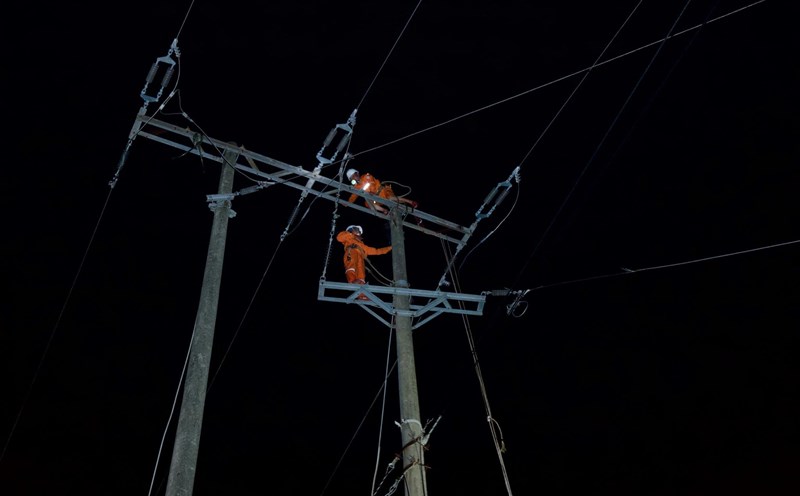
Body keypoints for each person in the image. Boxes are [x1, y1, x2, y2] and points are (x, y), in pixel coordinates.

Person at [336, 225, 392, 300]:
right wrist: (351, 234)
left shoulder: (362, 246)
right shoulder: (348, 238)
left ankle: (363, 295)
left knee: (361, 276)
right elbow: (339, 238)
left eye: (359, 231)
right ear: (350, 230)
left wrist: (391, 247)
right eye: (356, 230)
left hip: (360, 258)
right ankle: (352, 281)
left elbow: (377, 251)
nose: (358, 232)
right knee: (351, 266)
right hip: (351, 251)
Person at [346, 168, 418, 214]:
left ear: (357, 173)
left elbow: (372, 182)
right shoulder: (356, 187)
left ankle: (411, 202)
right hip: (376, 198)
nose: (354, 177)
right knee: (367, 204)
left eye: (354, 175)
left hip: (382, 191)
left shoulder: (366, 176)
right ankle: (384, 210)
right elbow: (354, 195)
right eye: (352, 177)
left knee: (390, 198)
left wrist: (371, 192)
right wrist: (347, 203)